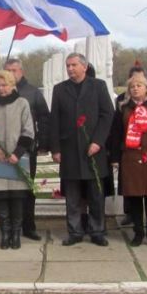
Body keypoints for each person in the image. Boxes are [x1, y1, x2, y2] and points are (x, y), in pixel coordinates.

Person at [50, 53, 114, 247]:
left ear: (84, 67)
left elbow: (107, 114)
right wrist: (56, 149)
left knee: (96, 194)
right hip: (69, 151)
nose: (70, 69)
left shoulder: (98, 86)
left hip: (93, 151)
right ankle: (75, 231)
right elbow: (55, 120)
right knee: (72, 196)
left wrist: (98, 141)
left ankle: (97, 231)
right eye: (68, 65)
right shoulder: (60, 89)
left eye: (74, 65)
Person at [108, 73, 147, 247]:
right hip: (130, 156)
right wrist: (114, 158)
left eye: (139, 85)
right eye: (132, 86)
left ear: (146, 88)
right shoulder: (122, 108)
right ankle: (138, 232)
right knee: (134, 197)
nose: (135, 88)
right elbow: (115, 135)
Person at [0, 70, 35, 249]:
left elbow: (28, 130)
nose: (1, 89)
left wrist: (17, 153)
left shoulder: (22, 103)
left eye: (5, 85)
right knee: (1, 197)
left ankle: (16, 234)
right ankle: (5, 233)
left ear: (12, 86)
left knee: (17, 198)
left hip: (17, 158)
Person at [4, 58, 50, 241]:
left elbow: (44, 119)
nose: (10, 73)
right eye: (7, 70)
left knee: (27, 189)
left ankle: (28, 226)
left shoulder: (32, 93)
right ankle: (8, 226)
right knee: (7, 189)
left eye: (13, 70)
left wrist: (43, 144)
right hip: (4, 150)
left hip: (27, 148)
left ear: (21, 71)